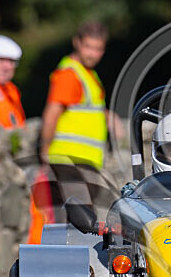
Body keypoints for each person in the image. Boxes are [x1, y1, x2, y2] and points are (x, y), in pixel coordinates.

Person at [38, 21, 121, 224]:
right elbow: (52, 113)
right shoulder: (70, 74)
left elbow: (87, 109)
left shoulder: (88, 75)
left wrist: (109, 116)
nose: (92, 54)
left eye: (98, 48)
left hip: (84, 162)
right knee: (79, 223)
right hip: (68, 160)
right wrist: (44, 148)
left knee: (78, 222)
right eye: (88, 47)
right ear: (77, 42)